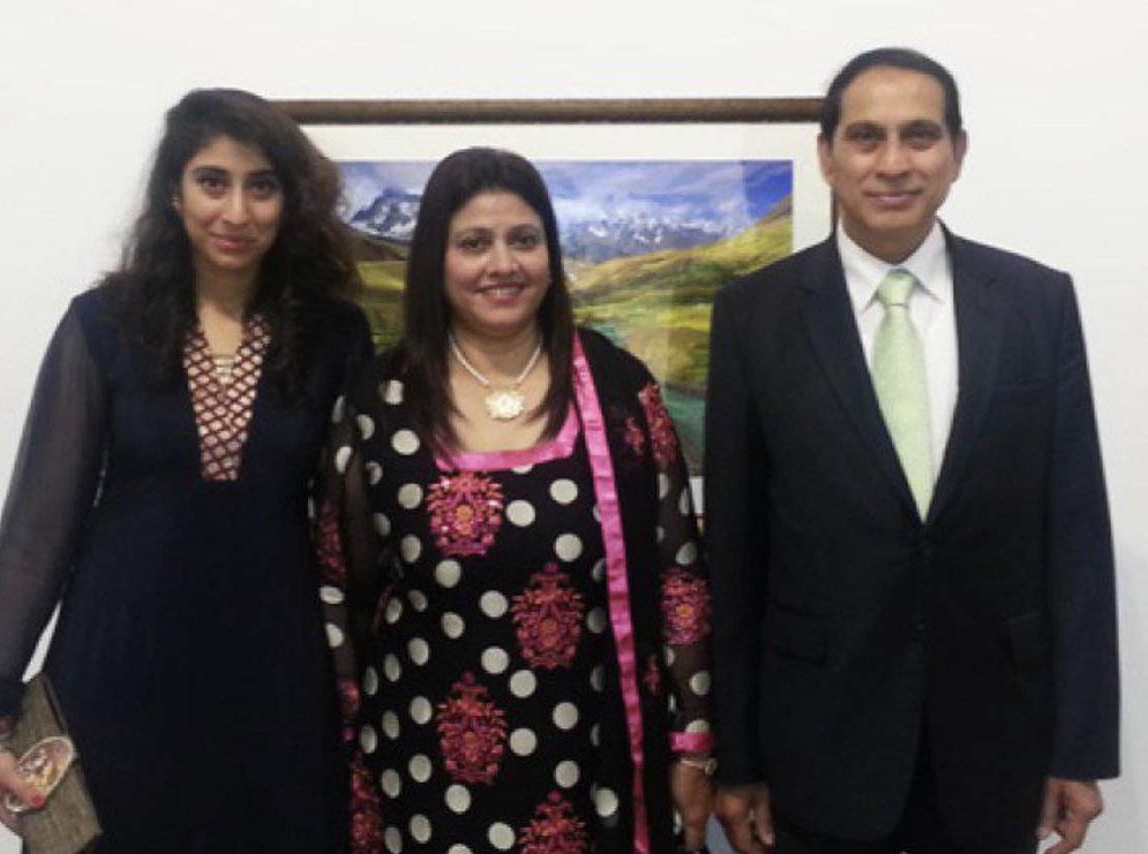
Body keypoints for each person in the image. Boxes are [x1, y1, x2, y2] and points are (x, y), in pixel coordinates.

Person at [706, 48, 1118, 854]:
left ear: (957, 152)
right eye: (866, 137)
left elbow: (1075, 536)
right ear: (828, 156)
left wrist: (1080, 749)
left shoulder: (1036, 303)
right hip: (816, 741)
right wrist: (740, 760)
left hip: (997, 740)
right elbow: (735, 552)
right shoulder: (757, 316)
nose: (893, 163)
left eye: (919, 135)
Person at [0, 88, 374, 851]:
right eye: (213, 181)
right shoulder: (103, 325)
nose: (236, 211)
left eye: (261, 186)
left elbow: (356, 524)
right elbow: (38, 530)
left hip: (275, 678)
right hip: (118, 667)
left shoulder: (333, 335)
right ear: (174, 193)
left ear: (290, 202)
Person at [316, 146, 716, 852]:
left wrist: (694, 744)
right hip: (424, 767)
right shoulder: (379, 402)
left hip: (598, 762)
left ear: (550, 255)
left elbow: (679, 576)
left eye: (524, 240)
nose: (503, 264)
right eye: (474, 243)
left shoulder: (620, 388)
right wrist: (347, 757)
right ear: (435, 260)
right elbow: (339, 592)